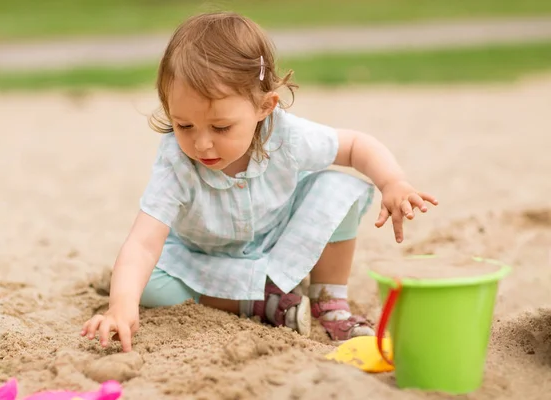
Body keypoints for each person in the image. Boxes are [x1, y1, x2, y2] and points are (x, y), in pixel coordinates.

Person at [81, 12, 438, 352]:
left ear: (265, 107)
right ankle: (257, 301)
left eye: (221, 127)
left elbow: (356, 145)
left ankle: (329, 301)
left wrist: (392, 181)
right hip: (205, 256)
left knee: (336, 188)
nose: (201, 143)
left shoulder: (287, 136)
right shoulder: (176, 161)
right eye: (184, 125)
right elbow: (143, 244)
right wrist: (120, 307)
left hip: (277, 240)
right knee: (149, 286)